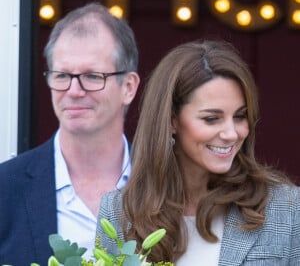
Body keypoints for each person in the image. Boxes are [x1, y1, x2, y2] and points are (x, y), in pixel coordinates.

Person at [96, 39, 300, 265]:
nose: (231, 133)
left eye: (240, 116)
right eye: (212, 119)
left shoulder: (286, 206)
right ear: (172, 120)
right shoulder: (119, 212)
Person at [0, 2, 140, 265]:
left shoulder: (169, 185)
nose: (74, 91)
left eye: (92, 76)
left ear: (128, 87)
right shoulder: (5, 189)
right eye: (62, 75)